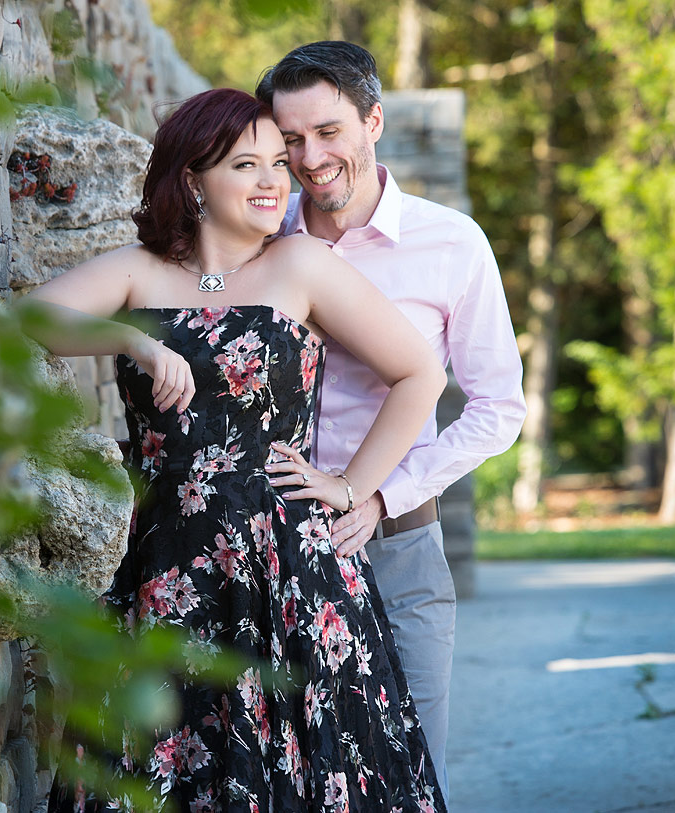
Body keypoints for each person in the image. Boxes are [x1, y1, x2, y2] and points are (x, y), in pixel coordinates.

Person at [25, 87, 448, 812]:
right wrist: (129, 338)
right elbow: (28, 319)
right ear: (192, 179)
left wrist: (352, 486)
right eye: (246, 165)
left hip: (289, 565)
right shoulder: (140, 271)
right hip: (167, 560)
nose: (272, 182)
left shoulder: (301, 265)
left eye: (277, 164)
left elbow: (421, 373)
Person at [256, 41, 529, 800]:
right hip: (269, 548)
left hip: (399, 543)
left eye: (330, 131)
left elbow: (499, 407)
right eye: (290, 140)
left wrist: (382, 494)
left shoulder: (453, 244)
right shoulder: (259, 234)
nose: (311, 157)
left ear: (373, 121)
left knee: (411, 775)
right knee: (290, 778)